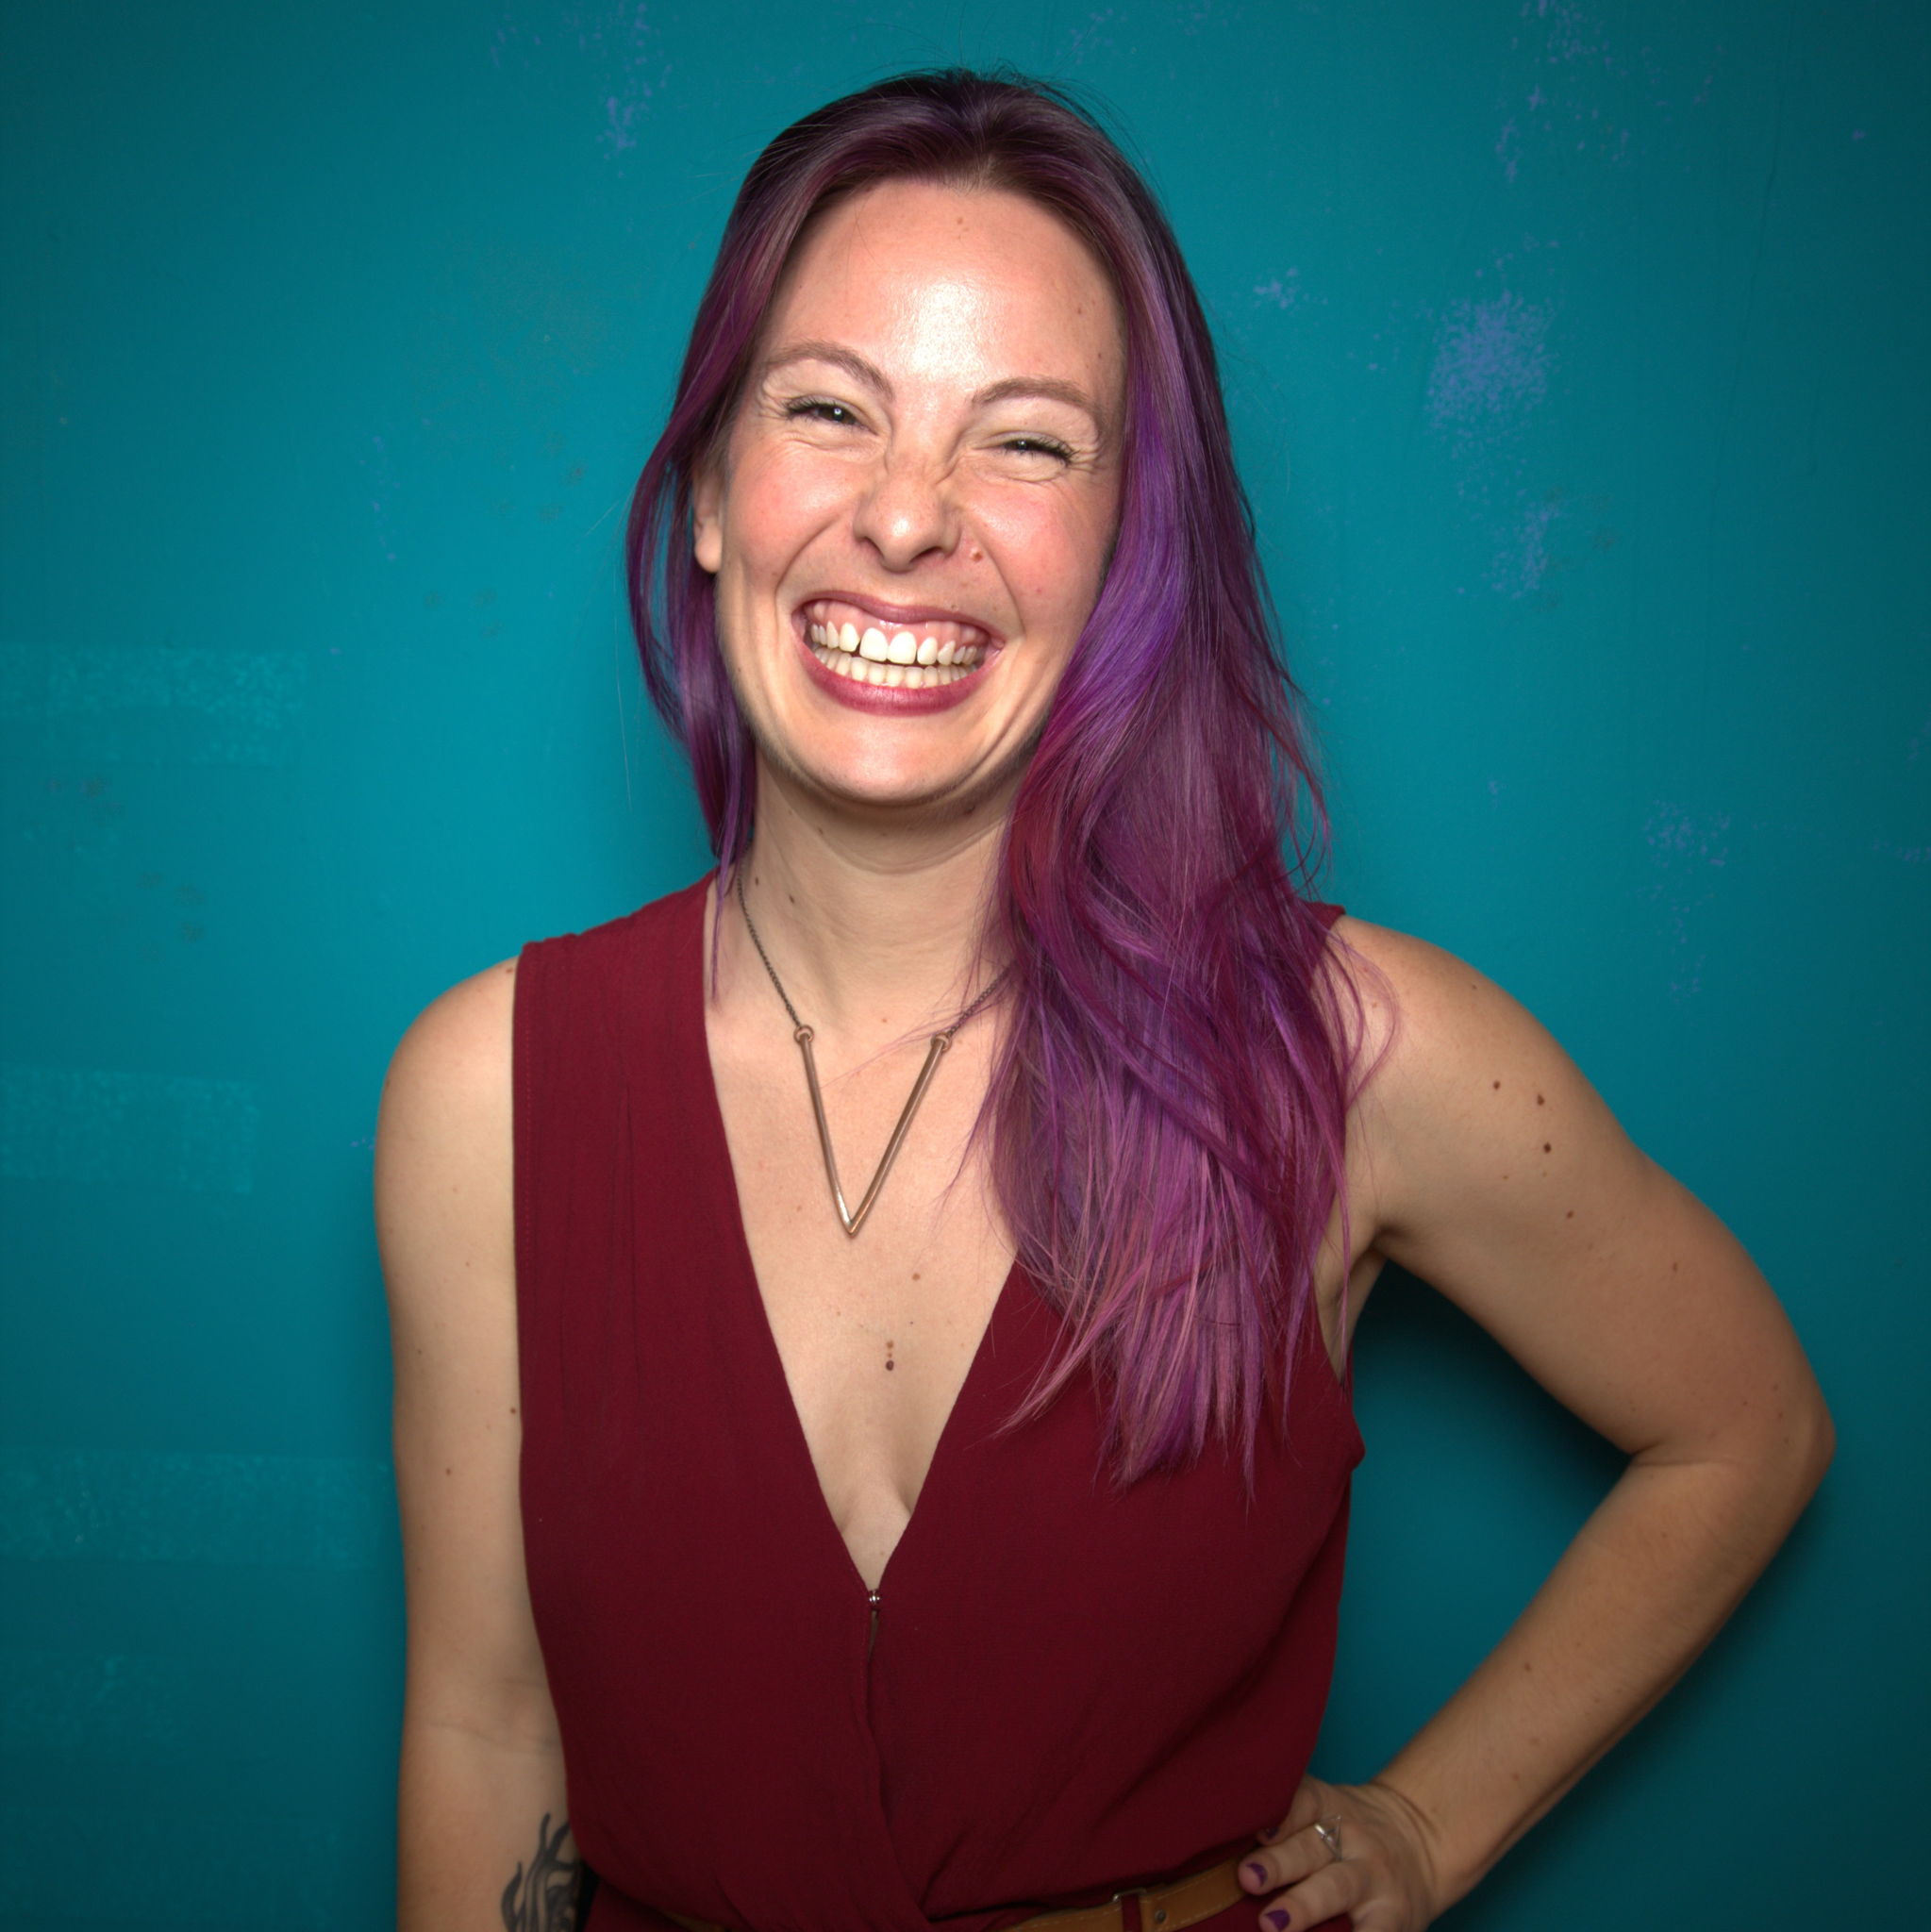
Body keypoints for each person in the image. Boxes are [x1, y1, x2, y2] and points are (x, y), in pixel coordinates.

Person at [375, 69, 1833, 1932]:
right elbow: (490, 1726)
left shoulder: (1361, 1053)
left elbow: (1745, 1426)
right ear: (718, 497)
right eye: (827, 411)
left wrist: (1429, 1825)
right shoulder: (484, 1094)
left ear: (1129, 542)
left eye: (1025, 444)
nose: (906, 521)